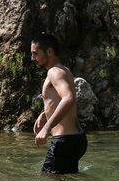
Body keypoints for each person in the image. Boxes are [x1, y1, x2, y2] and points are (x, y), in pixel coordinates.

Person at [30, 33, 86, 173]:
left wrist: (46, 128)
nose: (33, 58)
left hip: (64, 140)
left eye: (35, 54)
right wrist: (45, 113)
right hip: (75, 139)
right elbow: (60, 99)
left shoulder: (55, 72)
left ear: (49, 52)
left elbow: (68, 98)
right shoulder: (63, 70)